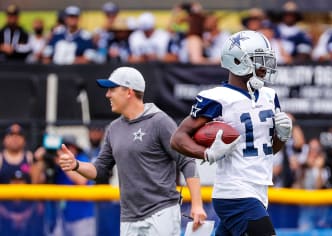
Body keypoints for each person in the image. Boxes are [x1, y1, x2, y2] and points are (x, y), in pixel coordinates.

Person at [57, 66, 207, 235]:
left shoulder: (160, 121)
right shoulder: (113, 128)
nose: (107, 95)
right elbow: (99, 169)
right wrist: (76, 164)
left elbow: (186, 161)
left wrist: (197, 204)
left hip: (161, 214)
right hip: (128, 218)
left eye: (112, 89)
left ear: (129, 92)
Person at [170, 30, 293, 236]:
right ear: (237, 61)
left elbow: (270, 150)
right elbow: (178, 138)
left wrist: (282, 136)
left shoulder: (270, 96)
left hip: (259, 189)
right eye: (258, 60)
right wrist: (207, 154)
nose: (264, 67)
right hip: (235, 192)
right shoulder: (218, 98)